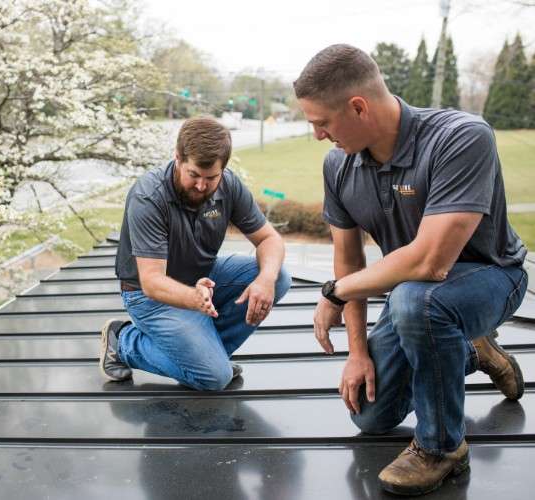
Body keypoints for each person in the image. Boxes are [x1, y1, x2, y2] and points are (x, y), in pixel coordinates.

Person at [294, 44, 528, 496]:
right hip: (418, 298)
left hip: (493, 277)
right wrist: (357, 354)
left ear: (358, 106)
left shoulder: (461, 136)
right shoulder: (338, 165)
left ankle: (442, 448)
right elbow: (349, 262)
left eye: (322, 122)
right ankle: (472, 352)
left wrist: (334, 292)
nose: (319, 135)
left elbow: (430, 262)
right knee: (369, 414)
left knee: (416, 299)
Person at [99, 116, 291, 391]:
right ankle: (124, 342)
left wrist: (265, 279)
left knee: (279, 276)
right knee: (214, 378)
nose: (201, 186)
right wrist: (193, 298)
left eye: (211, 178)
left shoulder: (229, 185)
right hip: (149, 296)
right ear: (177, 158)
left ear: (223, 169)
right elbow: (152, 281)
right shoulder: (149, 197)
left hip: (204, 279)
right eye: (194, 175)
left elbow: (269, 239)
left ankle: (206, 358)